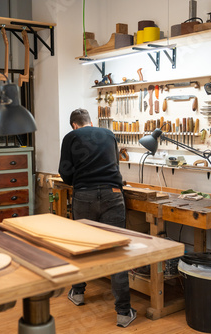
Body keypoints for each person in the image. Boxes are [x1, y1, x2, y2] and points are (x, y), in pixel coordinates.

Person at [58, 108, 136, 328]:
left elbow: (65, 172)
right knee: (116, 253)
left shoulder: (71, 137)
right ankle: (123, 312)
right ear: (90, 122)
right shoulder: (109, 134)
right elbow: (115, 165)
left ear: (74, 124)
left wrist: (81, 179)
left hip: (84, 195)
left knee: (82, 248)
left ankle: (79, 293)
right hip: (113, 194)